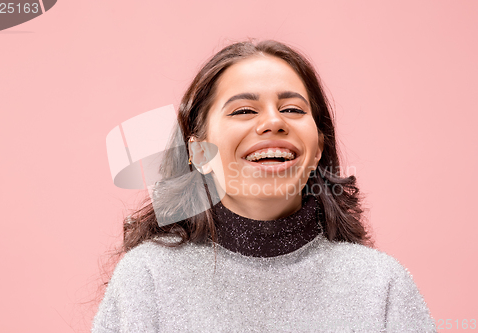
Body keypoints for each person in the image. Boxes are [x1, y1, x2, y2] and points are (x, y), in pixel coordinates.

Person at [92, 40, 437, 332]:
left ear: (317, 149)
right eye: (244, 110)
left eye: (291, 109)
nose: (274, 122)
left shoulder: (381, 285)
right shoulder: (147, 278)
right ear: (198, 152)